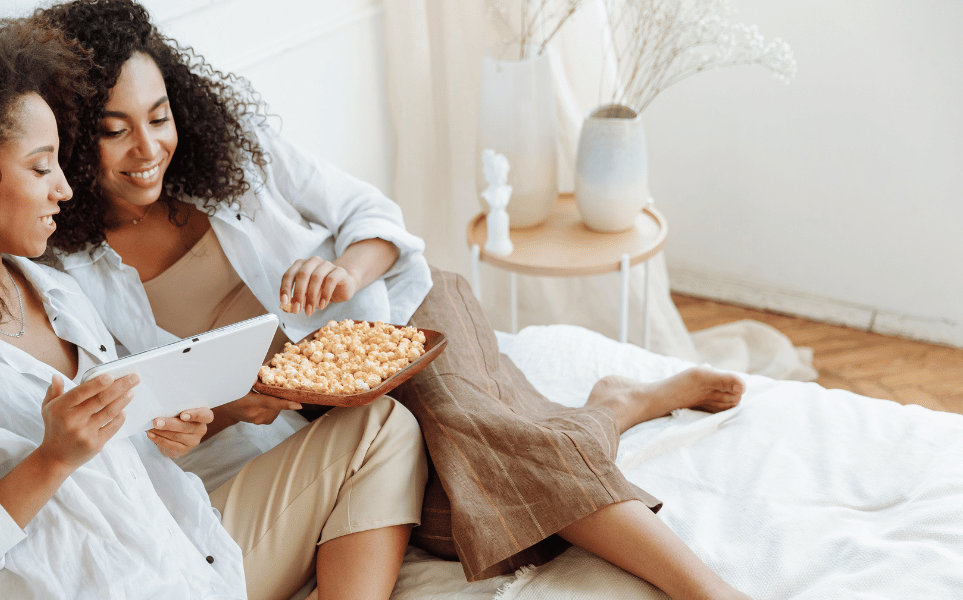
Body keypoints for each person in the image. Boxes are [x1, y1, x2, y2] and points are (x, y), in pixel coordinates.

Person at [39, 1, 751, 598]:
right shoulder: (71, 272)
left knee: (490, 444)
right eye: (114, 130)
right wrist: (230, 410)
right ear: (71, 140)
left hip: (400, 316)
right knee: (460, 522)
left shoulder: (233, 153)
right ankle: (611, 407)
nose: (147, 147)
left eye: (159, 117)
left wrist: (346, 273)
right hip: (324, 413)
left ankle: (713, 592)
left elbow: (374, 216)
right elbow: (169, 410)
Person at [0, 15, 426, 600]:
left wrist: (181, 426)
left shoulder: (48, 289)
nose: (66, 188)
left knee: (384, 428)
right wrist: (50, 460)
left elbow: (128, 452)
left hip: (185, 550)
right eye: (41, 167)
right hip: (107, 579)